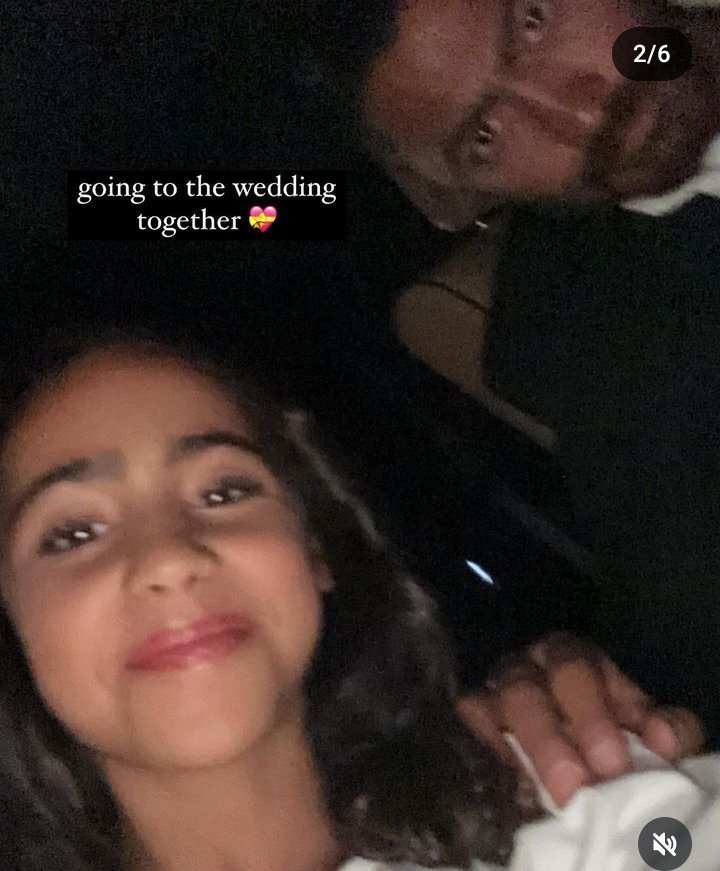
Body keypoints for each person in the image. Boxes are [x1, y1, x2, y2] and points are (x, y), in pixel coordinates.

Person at [0, 325, 718, 871]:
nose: (168, 558)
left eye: (224, 491)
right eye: (74, 533)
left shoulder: (578, 811)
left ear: (314, 552)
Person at [291, 0, 720, 746]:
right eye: (485, 137)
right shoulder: (614, 345)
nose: (577, 115)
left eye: (532, 24)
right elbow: (683, 626)